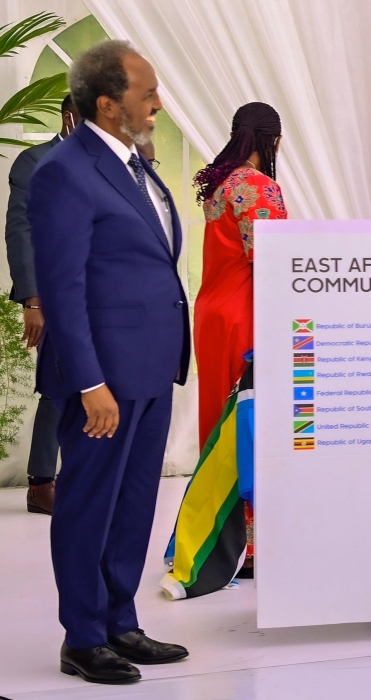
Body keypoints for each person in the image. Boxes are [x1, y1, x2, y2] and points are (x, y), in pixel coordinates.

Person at [28, 40, 190, 684]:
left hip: (150, 367)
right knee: (88, 506)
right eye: (147, 93)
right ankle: (84, 637)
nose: (157, 103)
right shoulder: (64, 171)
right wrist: (91, 382)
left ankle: (121, 622)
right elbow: (62, 286)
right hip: (103, 381)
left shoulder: (135, 165)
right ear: (106, 102)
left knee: (134, 504)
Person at [192, 102, 287, 578]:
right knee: (253, 423)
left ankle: (220, 532)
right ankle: (253, 547)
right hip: (245, 315)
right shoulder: (259, 187)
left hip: (212, 313)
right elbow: (272, 261)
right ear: (273, 142)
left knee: (220, 421)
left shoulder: (221, 185)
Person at [4, 95, 81, 514]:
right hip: (54, 295)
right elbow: (20, 231)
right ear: (69, 117)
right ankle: (41, 482)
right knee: (57, 385)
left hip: (102, 295)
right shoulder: (34, 162)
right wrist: (33, 299)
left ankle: (85, 476)